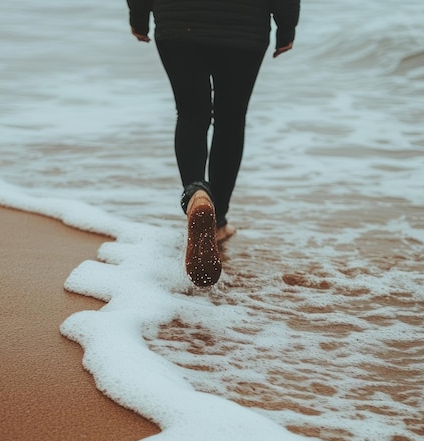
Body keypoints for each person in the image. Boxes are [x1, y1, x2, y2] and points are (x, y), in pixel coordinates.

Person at [127, 0, 300, 286]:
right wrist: (286, 28)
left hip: (178, 22)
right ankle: (217, 222)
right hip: (245, 24)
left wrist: (139, 17)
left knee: (191, 113)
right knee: (231, 119)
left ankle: (196, 193)